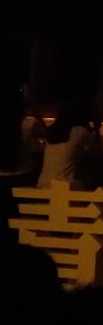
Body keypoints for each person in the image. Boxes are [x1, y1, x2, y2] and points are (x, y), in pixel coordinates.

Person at [1, 87, 46, 245]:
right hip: (24, 179)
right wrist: (33, 106)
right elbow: (47, 131)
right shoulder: (29, 124)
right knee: (22, 223)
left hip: (2, 181)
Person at [37, 95, 101, 188]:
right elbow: (97, 153)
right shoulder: (80, 132)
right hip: (64, 187)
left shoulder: (52, 132)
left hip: (43, 184)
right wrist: (97, 129)